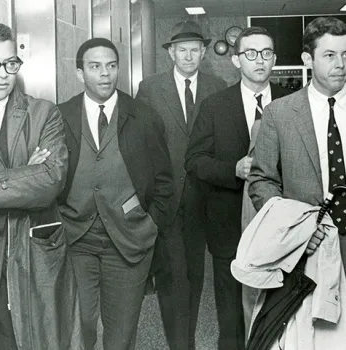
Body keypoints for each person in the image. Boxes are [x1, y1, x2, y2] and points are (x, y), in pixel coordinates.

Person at [57, 37, 173, 350]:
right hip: (75, 239)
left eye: (111, 66)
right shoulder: (59, 117)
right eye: (95, 67)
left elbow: (164, 181)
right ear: (80, 73)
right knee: (79, 327)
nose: (105, 74)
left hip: (129, 240)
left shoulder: (144, 117)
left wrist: (150, 225)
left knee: (121, 333)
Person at [185, 26, 289, 349]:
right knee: (231, 320)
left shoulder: (292, 104)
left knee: (280, 316)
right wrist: (233, 169)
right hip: (229, 231)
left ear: (274, 59)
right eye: (251, 53)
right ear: (235, 60)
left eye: (267, 53)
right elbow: (195, 160)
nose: (260, 61)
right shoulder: (215, 105)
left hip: (282, 231)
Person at [136, 20, 226, 349]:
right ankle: (180, 344)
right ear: (171, 53)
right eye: (181, 50)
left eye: (194, 50)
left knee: (196, 274)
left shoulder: (217, 87)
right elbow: (139, 143)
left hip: (206, 198)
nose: (188, 56)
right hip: (167, 197)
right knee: (172, 276)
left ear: (203, 53)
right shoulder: (150, 88)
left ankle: (186, 337)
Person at [0, 22, 83, 349]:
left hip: (34, 250)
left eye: (9, 64)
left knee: (36, 337)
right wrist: (23, 173)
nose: (2, 73)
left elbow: (50, 181)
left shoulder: (43, 113)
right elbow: (33, 180)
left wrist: (34, 175)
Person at [248, 17, 346, 271]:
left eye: (345, 54)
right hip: (309, 248)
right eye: (329, 55)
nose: (341, 64)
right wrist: (296, 230)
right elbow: (262, 181)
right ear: (307, 60)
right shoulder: (279, 113)